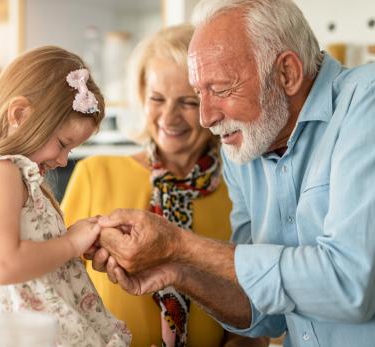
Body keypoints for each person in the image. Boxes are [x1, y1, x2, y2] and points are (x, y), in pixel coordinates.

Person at [91, 0, 375, 346]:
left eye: (222, 89)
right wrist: (176, 271)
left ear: (287, 73)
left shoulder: (366, 103)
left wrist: (180, 245)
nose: (206, 117)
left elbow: (352, 285)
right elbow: (261, 313)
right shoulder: (245, 148)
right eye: (200, 94)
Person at [61, 25, 266, 347]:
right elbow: (55, 289)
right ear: (142, 96)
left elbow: (258, 318)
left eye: (187, 102)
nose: (169, 118)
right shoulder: (95, 173)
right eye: (157, 98)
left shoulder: (242, 186)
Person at [0, 46, 130, 347]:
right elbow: (3, 264)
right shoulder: (0, 171)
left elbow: (28, 255)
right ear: (19, 115)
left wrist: (74, 238)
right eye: (62, 143)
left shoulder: (17, 176)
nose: (64, 160)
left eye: (72, 150)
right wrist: (69, 244)